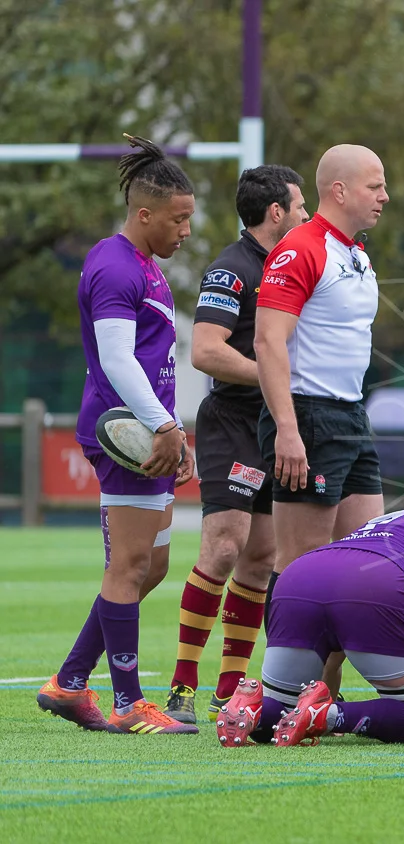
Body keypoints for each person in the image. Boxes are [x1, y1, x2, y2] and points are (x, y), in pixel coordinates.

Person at [38, 135, 198, 736]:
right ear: (144, 214)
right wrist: (163, 426)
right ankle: (131, 704)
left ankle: (70, 682)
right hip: (124, 433)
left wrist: (173, 433)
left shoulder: (145, 265)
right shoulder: (113, 265)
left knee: (149, 567)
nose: (185, 230)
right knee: (129, 565)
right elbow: (116, 359)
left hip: (152, 433)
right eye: (178, 219)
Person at [164, 164, 309, 723]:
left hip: (278, 426)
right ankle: (182, 688)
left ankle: (230, 691)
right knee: (225, 545)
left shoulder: (295, 266)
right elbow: (204, 350)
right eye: (299, 206)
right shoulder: (232, 268)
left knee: (261, 560)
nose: (304, 215)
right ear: (275, 213)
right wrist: (271, 374)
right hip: (232, 422)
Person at [215, 481, 404, 747]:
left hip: (299, 578)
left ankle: (252, 708)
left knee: (282, 710)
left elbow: (334, 653)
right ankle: (331, 715)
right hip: (374, 582)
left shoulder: (380, 522)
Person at [255, 145, 388, 634]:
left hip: (352, 416)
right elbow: (268, 342)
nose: (384, 196)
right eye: (375, 186)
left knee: (364, 560)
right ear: (340, 190)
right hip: (310, 416)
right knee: (299, 565)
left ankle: (323, 694)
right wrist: (287, 431)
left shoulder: (356, 254)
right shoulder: (302, 247)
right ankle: (283, 691)